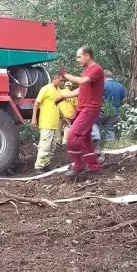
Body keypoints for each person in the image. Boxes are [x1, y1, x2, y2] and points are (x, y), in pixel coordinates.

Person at [55, 47, 105, 176]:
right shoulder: (86, 71)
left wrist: (65, 74)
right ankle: (94, 167)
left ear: (87, 56)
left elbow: (82, 81)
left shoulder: (96, 69)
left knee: (73, 135)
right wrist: (63, 96)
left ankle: (78, 165)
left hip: (90, 108)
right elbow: (81, 89)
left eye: (79, 57)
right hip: (83, 108)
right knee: (84, 138)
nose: (77, 60)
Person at [31, 73, 64, 174]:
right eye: (60, 80)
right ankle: (39, 166)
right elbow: (36, 103)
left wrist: (62, 116)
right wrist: (34, 118)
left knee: (52, 146)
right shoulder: (46, 89)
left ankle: (46, 164)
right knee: (45, 145)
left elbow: (57, 106)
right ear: (55, 79)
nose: (61, 82)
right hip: (46, 122)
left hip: (54, 123)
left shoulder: (59, 91)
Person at [57, 81, 77, 146]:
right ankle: (65, 142)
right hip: (70, 114)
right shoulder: (73, 94)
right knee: (67, 128)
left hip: (60, 114)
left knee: (58, 128)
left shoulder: (59, 92)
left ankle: (58, 141)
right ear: (71, 87)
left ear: (65, 86)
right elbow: (76, 106)